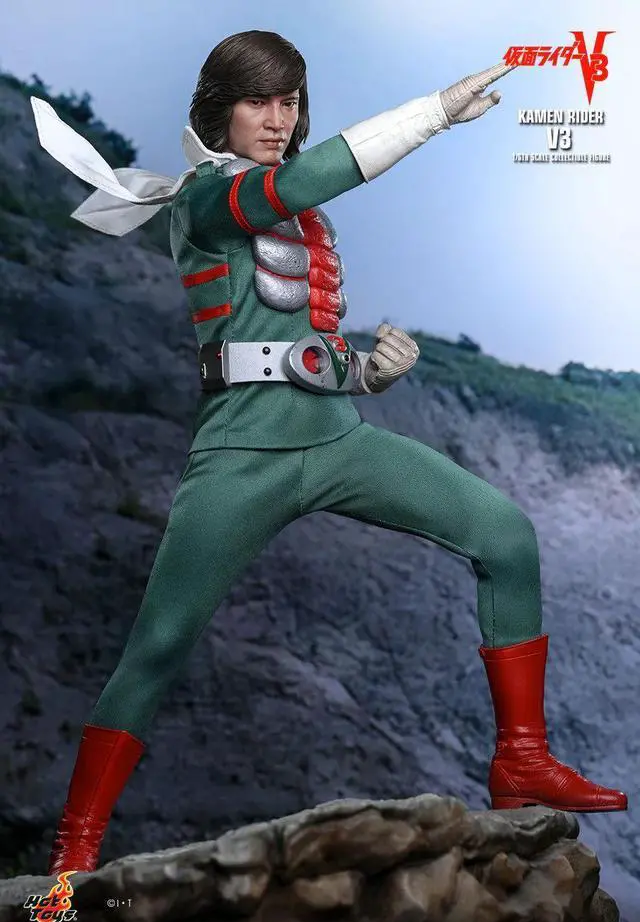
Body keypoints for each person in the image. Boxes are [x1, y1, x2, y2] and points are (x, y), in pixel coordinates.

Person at [30, 30, 626, 877]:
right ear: (219, 110)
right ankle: (72, 855)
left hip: (336, 438)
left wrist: (368, 374)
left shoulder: (303, 218)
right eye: (258, 101)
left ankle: (521, 757)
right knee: (158, 644)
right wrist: (434, 112)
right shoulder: (206, 199)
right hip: (243, 452)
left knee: (505, 533)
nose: (278, 119)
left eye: (290, 102)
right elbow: (312, 181)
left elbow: (298, 343)